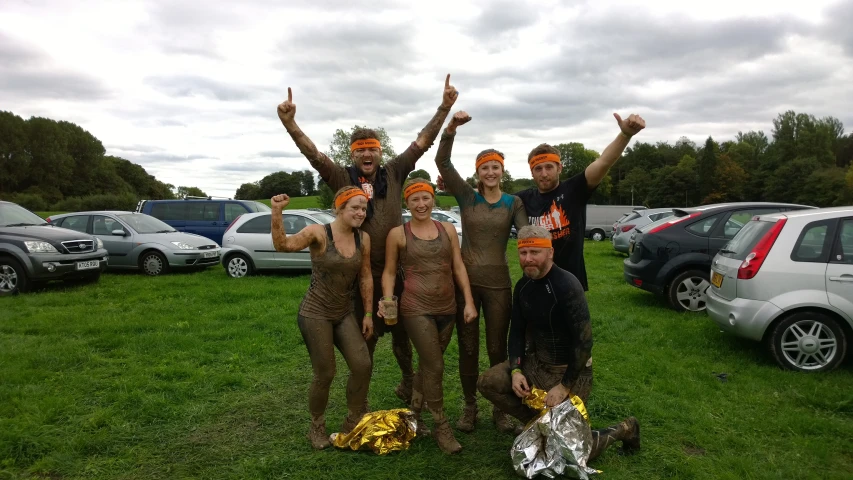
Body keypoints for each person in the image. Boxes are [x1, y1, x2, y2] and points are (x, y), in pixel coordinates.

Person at [276, 75, 460, 405]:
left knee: (404, 335)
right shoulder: (342, 177)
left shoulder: (394, 170)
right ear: (354, 155)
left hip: (398, 272)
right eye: (360, 151)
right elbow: (314, 155)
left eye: (372, 150)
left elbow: (422, 141)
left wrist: (444, 107)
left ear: (379, 152)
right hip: (358, 276)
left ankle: (407, 383)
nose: (367, 155)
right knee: (367, 338)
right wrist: (291, 125)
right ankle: (359, 403)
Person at [477, 226, 640, 461]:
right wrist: (515, 370)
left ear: (550, 253)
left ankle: (626, 429)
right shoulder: (523, 286)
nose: (528, 259)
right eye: (523, 253)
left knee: (575, 453)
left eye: (535, 252)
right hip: (536, 364)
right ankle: (537, 426)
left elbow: (584, 342)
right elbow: (517, 333)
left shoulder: (567, 286)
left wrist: (564, 386)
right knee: (488, 382)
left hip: (571, 373)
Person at [433, 110, 528, 433]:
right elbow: (443, 163)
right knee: (469, 347)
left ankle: (500, 409)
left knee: (497, 348)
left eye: (495, 167)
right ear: (478, 172)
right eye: (485, 167)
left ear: (502, 171)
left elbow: (526, 234)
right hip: (466, 283)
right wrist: (452, 129)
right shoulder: (467, 197)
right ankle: (470, 406)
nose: (490, 172)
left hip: (499, 283)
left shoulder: (513, 202)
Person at [378, 178, 478, 455]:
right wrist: (388, 300)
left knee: (427, 366)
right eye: (414, 200)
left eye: (426, 198)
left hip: (447, 308)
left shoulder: (447, 229)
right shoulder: (398, 234)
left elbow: (458, 266)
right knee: (434, 366)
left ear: (433, 200)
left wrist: (468, 302)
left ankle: (414, 415)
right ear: (406, 203)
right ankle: (441, 426)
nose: (421, 204)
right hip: (415, 307)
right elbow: (388, 272)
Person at [270, 187, 374, 450]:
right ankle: (316, 426)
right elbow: (283, 245)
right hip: (315, 313)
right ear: (339, 208)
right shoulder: (319, 233)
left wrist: (369, 313)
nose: (361, 213)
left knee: (362, 364)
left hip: (343, 312)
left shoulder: (364, 238)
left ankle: (353, 420)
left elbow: (365, 276)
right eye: (355, 208)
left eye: (363, 208)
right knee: (325, 373)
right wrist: (276, 212)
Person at [515, 113, 646, 292]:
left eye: (549, 167)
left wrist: (625, 135)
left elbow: (603, 163)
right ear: (532, 173)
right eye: (538, 169)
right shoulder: (523, 198)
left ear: (559, 168)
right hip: (534, 279)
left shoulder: (574, 190)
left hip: (570, 282)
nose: (544, 173)